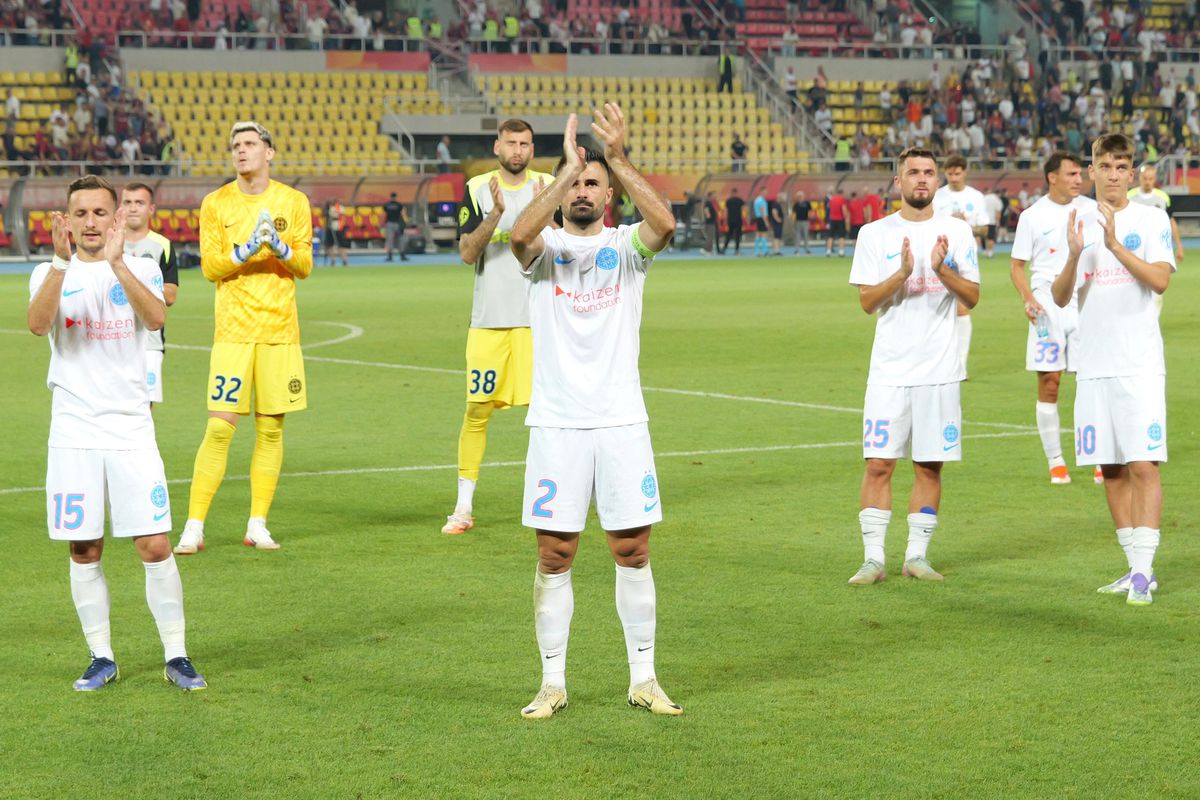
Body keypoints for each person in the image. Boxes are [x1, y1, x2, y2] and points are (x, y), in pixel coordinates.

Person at [509, 103, 682, 719]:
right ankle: (552, 683)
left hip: (620, 422)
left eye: (592, 182)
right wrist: (566, 167)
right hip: (556, 423)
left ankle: (644, 678)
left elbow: (664, 223)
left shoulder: (625, 247)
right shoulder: (546, 246)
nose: (583, 189)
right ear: (560, 194)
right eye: (575, 182)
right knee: (555, 554)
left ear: (609, 195)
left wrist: (616, 158)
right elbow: (516, 238)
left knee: (632, 549)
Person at [28, 175, 206, 692]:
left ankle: (177, 654)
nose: (90, 222)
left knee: (153, 544)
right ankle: (100, 656)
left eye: (99, 213)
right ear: (65, 220)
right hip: (74, 431)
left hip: (130, 427)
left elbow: (155, 317)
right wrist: (62, 265)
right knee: (84, 547)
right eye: (79, 213)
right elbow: (38, 324)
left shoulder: (143, 266)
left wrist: (117, 262)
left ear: (117, 218)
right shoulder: (46, 271)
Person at [174, 121, 313, 555]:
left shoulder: (294, 201)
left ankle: (257, 524)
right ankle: (194, 526)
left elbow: (305, 265)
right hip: (233, 333)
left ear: (269, 152)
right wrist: (248, 248)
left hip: (279, 333)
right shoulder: (215, 203)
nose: (241, 151)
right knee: (219, 429)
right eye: (236, 145)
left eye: (250, 144)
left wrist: (281, 249)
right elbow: (211, 268)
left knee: (271, 430)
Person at [1051, 133, 1176, 606]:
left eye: (1121, 167)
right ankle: (1133, 568)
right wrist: (1072, 255)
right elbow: (1062, 297)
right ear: (1092, 170)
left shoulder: (1150, 217)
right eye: (1104, 166)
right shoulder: (1076, 218)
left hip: (1139, 362)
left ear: (1131, 171)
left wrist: (1115, 246)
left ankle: (1145, 572)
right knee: (1111, 466)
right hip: (1094, 363)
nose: (1114, 175)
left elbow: (1160, 279)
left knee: (1144, 462)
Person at [847, 147, 981, 586]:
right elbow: (867, 302)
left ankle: (916, 557)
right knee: (878, 464)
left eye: (928, 173)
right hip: (889, 371)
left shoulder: (957, 232)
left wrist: (941, 270)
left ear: (938, 181)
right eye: (913, 173)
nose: (921, 179)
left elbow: (972, 297)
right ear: (898, 182)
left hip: (940, 371)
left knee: (929, 466)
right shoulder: (875, 233)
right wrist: (902, 274)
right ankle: (872, 559)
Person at [445, 119, 553, 535]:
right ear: (497, 146)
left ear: (531, 148)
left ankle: (553, 497)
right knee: (476, 410)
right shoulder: (476, 188)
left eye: (524, 143)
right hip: (488, 322)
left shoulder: (547, 185)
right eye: (511, 142)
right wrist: (496, 215)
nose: (517, 149)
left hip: (537, 322)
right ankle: (462, 508)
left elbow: (565, 243)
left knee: (546, 414)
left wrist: (543, 213)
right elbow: (468, 252)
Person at [1010, 151, 1101, 486]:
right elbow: (1017, 265)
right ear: (1052, 177)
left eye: (1080, 174)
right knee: (1050, 382)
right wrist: (1028, 298)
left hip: (1088, 302)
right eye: (1072, 174)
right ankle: (1056, 461)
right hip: (1048, 304)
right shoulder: (1032, 216)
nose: (1079, 179)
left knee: (1091, 381)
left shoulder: (1094, 211)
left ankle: (1096, 457)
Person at [121, 182, 178, 406]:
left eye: (139, 203)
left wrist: (128, 283)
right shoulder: (109, 242)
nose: (133, 208)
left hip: (150, 340)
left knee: (145, 405)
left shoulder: (162, 245)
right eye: (127, 202)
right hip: (111, 334)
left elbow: (171, 294)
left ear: (151, 209)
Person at [932, 155, 988, 378]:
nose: (954, 177)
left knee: (963, 307)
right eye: (950, 173)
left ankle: (960, 365)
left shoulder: (976, 197)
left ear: (965, 172)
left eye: (958, 173)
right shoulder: (937, 196)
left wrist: (966, 225)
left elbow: (985, 229)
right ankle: (940, 360)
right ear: (945, 174)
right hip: (940, 255)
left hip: (965, 257)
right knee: (937, 307)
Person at [1127, 163, 1184, 265]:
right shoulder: (1129, 196)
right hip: (1134, 246)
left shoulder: (1163, 198)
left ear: (1155, 179)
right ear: (1139, 178)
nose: (1147, 181)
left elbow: (1171, 222)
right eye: (1145, 178)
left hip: (1157, 246)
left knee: (1157, 277)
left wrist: (1179, 246)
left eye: (1150, 178)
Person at [383, 191, 408, 262]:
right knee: (400, 239)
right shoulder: (399, 205)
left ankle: (390, 256)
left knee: (389, 240)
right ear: (396, 197)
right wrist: (404, 223)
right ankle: (402, 256)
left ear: (390, 197)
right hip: (397, 223)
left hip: (389, 223)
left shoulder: (387, 205)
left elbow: (384, 215)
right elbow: (402, 214)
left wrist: (382, 224)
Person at [324, 199, 349, 267]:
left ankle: (344, 260)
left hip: (339, 228)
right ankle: (333, 260)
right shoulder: (328, 209)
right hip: (330, 227)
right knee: (329, 245)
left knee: (341, 245)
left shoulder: (340, 208)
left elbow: (339, 215)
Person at [721, 187, 744, 255]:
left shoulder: (728, 201)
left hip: (730, 220)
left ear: (731, 193)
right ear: (736, 193)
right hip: (738, 220)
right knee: (737, 235)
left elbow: (726, 211)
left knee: (729, 235)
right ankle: (737, 251)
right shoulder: (740, 200)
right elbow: (743, 210)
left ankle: (724, 249)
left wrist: (725, 220)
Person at [826, 187, 848, 257]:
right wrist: (846, 218)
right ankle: (841, 251)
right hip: (840, 219)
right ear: (842, 193)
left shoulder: (832, 199)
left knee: (830, 236)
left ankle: (828, 251)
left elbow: (828, 206)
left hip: (832, 219)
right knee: (841, 236)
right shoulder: (842, 199)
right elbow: (844, 209)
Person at [983, 187, 1003, 258]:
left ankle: (985, 250)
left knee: (984, 237)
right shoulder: (997, 200)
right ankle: (990, 252)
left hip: (983, 221)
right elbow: (998, 212)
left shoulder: (984, 198)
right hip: (992, 221)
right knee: (991, 237)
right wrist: (997, 221)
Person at [752, 189, 769, 256]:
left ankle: (757, 251)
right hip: (762, 218)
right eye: (764, 192)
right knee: (763, 234)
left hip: (758, 218)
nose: (765, 193)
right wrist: (766, 221)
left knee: (758, 234)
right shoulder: (761, 200)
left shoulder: (756, 200)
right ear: (760, 192)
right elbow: (762, 211)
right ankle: (764, 251)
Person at [701, 190, 718, 255]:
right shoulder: (708, 203)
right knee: (710, 237)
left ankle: (709, 250)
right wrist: (708, 215)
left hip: (712, 222)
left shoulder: (710, 202)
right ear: (710, 196)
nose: (715, 196)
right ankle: (706, 249)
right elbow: (706, 210)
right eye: (714, 195)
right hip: (710, 222)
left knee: (711, 236)